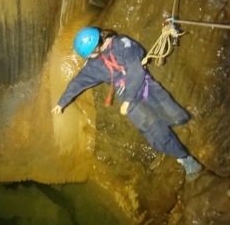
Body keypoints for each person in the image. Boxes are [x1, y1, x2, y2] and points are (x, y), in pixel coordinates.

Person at [51, 27, 202, 182]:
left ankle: (178, 132)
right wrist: (61, 103)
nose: (89, 57)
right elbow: (78, 83)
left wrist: (127, 101)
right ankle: (185, 159)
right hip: (128, 97)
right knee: (154, 130)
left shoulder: (121, 43)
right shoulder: (93, 65)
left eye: (89, 53)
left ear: (96, 46)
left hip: (143, 84)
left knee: (175, 116)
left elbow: (136, 72)